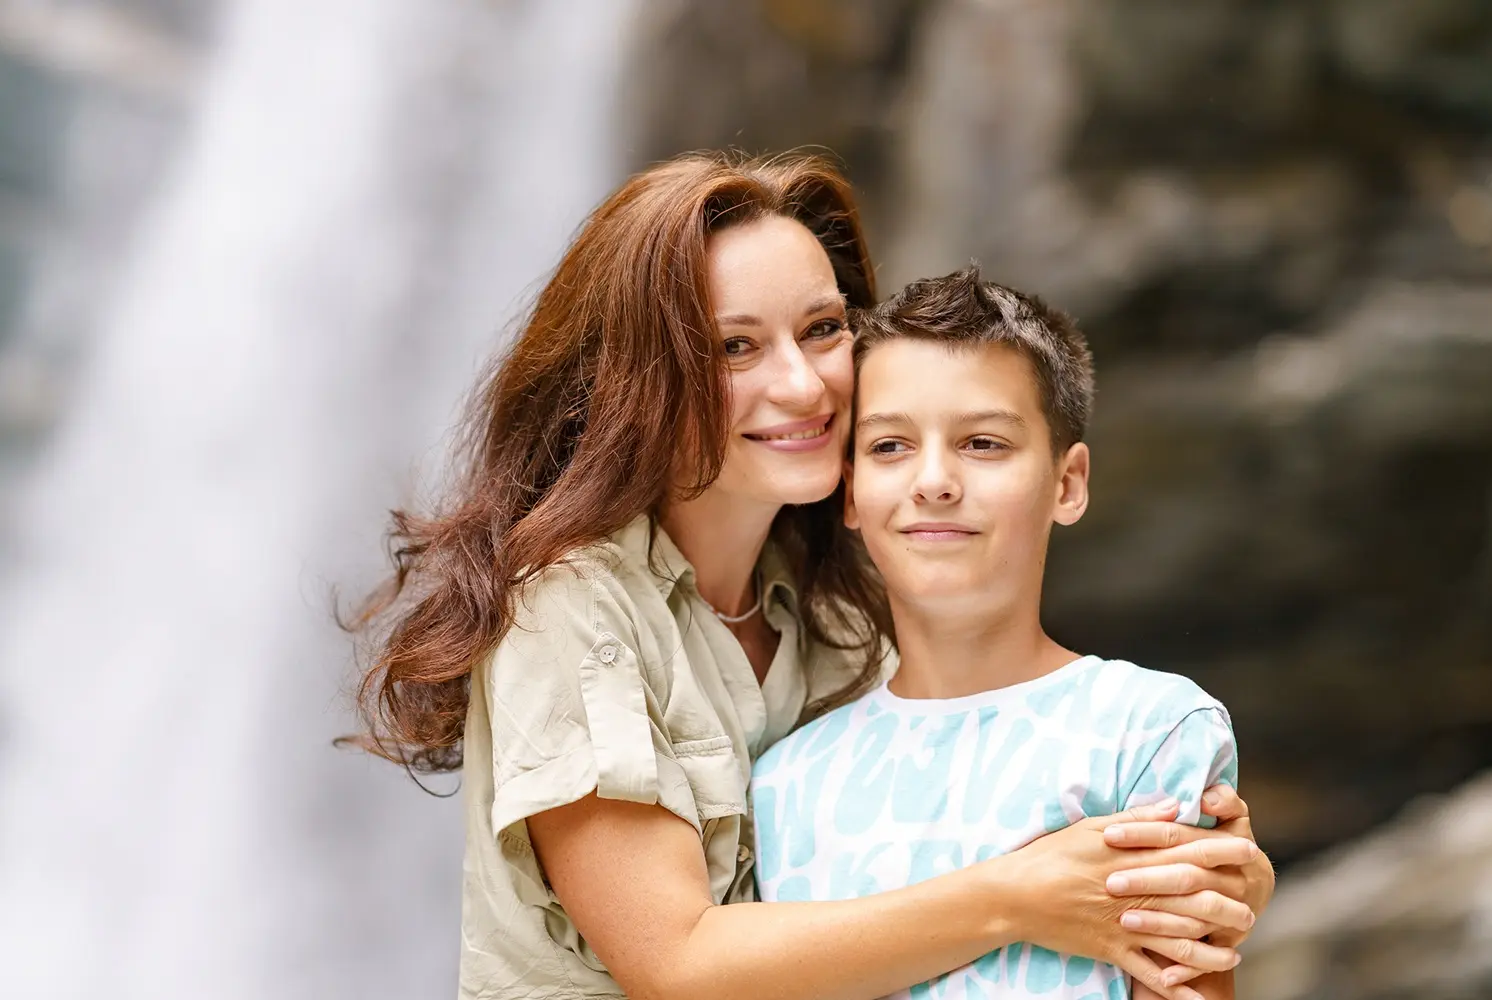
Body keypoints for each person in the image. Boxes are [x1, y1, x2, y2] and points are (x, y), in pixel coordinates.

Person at [345, 152, 1274, 1000]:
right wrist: (1022, 897)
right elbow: (677, 962)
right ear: (639, 375)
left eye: (823, 329)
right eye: (734, 346)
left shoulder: (841, 614)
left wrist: (1196, 868)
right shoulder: (572, 606)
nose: (801, 384)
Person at [751, 266, 1250, 1000]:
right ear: (850, 491)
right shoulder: (783, 781)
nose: (934, 481)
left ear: (1067, 483)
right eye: (890, 446)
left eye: (983, 443)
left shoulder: (1149, 731)